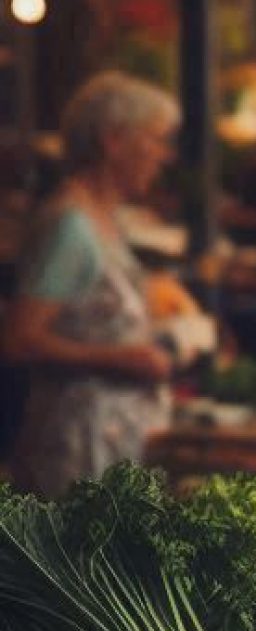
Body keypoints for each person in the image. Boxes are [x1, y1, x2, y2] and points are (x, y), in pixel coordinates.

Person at [3, 72, 179, 496]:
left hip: (106, 444)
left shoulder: (102, 217)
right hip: (74, 449)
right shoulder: (70, 226)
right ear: (113, 141)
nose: (164, 156)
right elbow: (19, 339)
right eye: (154, 139)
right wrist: (120, 358)